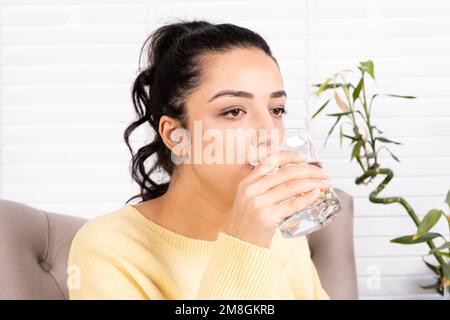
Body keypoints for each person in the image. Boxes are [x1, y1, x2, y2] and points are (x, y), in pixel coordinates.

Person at [68, 19, 331, 300]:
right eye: (233, 112)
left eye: (276, 110)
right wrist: (246, 246)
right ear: (175, 136)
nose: (268, 133)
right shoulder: (108, 248)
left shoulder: (283, 234)